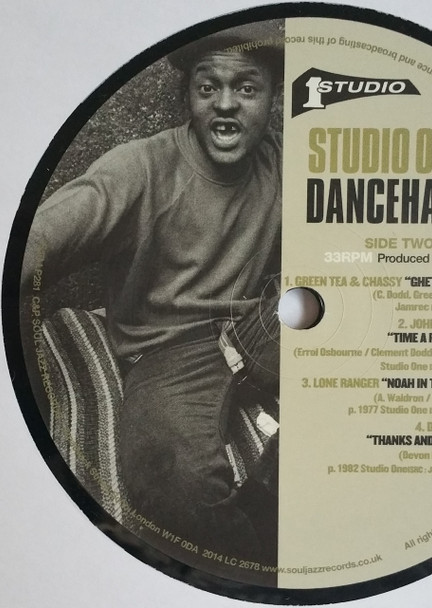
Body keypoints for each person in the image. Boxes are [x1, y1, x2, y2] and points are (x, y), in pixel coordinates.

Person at [21, 22, 284, 573]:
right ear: (188, 96)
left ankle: (275, 489)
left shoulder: (286, 160)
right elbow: (41, 237)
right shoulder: (140, 167)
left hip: (267, 325)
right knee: (169, 488)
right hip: (170, 353)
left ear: (272, 99)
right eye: (208, 87)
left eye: (247, 88)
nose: (225, 104)